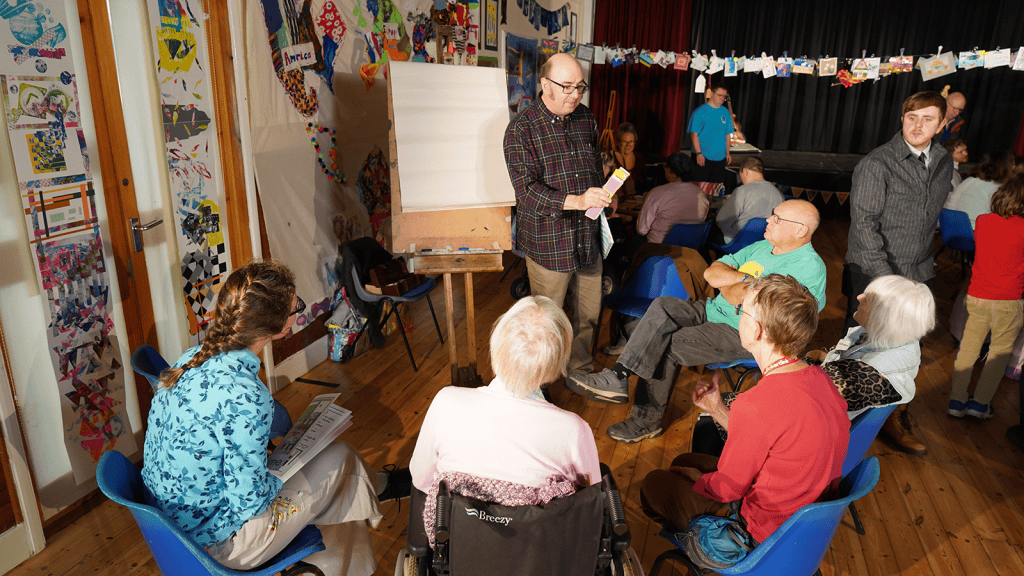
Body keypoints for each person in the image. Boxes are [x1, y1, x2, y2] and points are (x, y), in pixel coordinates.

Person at [142, 261, 383, 576]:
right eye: (296, 307)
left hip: (171, 532)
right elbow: (250, 503)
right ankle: (376, 502)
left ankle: (365, 514)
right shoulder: (247, 397)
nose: (298, 311)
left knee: (330, 478)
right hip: (220, 545)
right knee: (341, 457)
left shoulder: (188, 359)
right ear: (281, 326)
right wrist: (280, 475)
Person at [566, 200, 826, 443]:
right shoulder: (762, 247)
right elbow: (712, 273)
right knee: (663, 305)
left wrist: (734, 282)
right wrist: (745, 283)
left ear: (801, 230)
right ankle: (618, 375)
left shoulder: (808, 267)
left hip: (746, 332)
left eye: (778, 219)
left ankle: (646, 422)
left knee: (665, 344)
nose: (769, 220)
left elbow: (741, 296)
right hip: (715, 309)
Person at [639, 274, 849, 548]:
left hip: (761, 532)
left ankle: (697, 542)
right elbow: (776, 441)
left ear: (759, 330)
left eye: (742, 310)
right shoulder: (818, 379)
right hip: (804, 520)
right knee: (685, 458)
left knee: (653, 482)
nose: (737, 315)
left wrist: (700, 482)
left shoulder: (756, 403)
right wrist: (717, 409)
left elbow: (728, 488)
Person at [409, 296, 602, 540]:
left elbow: (421, 479)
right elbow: (590, 499)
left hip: (460, 547)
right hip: (536, 553)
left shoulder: (446, 402)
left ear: (497, 343)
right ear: (557, 361)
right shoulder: (573, 430)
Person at [844, 91, 952, 455]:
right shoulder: (878, 163)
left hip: (919, 270)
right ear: (902, 118)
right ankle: (844, 420)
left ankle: (894, 415)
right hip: (876, 271)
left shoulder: (943, 160)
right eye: (912, 117)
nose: (918, 125)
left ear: (941, 124)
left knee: (909, 350)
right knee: (864, 349)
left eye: (928, 119)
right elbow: (863, 224)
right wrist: (886, 280)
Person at [503, 53, 609, 383]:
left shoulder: (585, 118)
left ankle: (578, 372)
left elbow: (593, 168)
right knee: (546, 322)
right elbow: (527, 193)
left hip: (587, 236)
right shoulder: (521, 129)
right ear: (545, 85)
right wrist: (577, 200)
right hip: (550, 243)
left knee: (589, 315)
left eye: (580, 86)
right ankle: (542, 384)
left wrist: (602, 193)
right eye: (567, 87)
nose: (575, 94)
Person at [949, 174, 1024, 421]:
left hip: (978, 295)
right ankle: (980, 404)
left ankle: (957, 400)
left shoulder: (983, 221)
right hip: (1008, 300)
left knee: (968, 348)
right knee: (998, 352)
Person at [636, 151, 709, 244]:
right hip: (691, 248)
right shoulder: (700, 193)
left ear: (669, 170)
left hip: (659, 249)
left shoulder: (657, 193)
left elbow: (641, 230)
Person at [714, 156, 785, 243]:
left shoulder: (742, 191)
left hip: (738, 242)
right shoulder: (778, 193)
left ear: (745, 171)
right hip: (765, 242)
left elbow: (721, 221)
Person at [944, 150, 1016, 229]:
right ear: (1005, 167)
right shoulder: (996, 189)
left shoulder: (969, 181)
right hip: (974, 232)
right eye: (1012, 164)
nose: (1014, 167)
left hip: (952, 230)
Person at [687, 83, 736, 195]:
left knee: (716, 188)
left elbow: (727, 134)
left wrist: (727, 152)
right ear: (711, 94)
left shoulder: (725, 112)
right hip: (703, 157)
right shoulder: (700, 112)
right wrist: (699, 153)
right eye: (719, 95)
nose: (722, 98)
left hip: (719, 157)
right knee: (699, 189)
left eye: (724, 96)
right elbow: (694, 135)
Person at [613, 122, 648, 198]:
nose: (628, 145)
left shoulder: (639, 158)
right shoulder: (611, 158)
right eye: (625, 141)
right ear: (618, 142)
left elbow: (644, 186)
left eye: (631, 141)